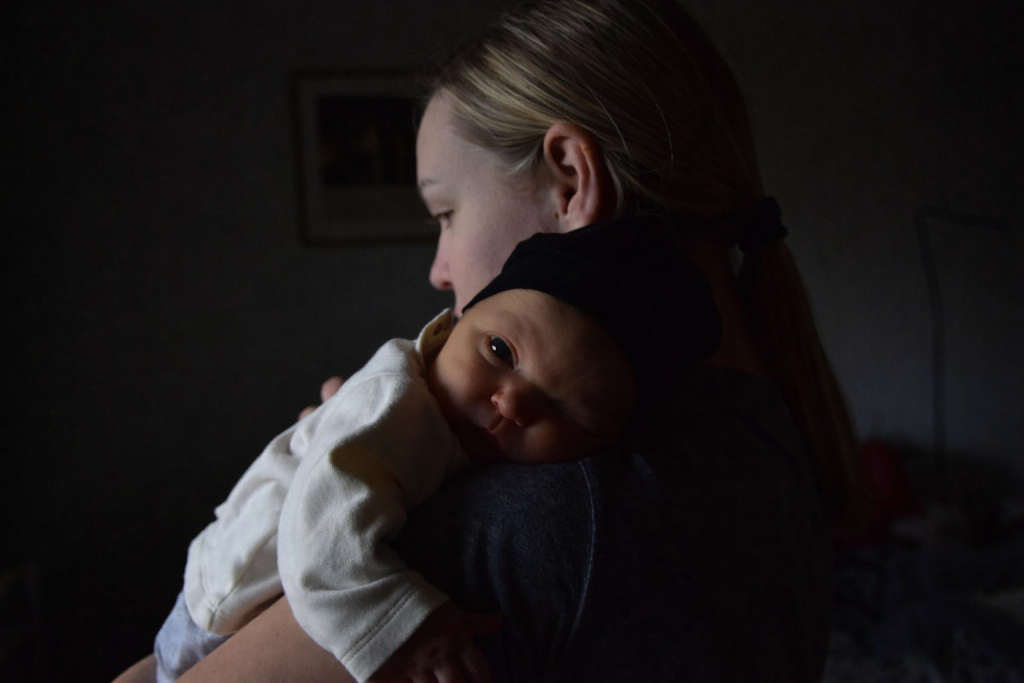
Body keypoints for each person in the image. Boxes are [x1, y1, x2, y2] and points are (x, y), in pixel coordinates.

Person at [115, 0, 861, 681]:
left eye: (445, 213)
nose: (439, 270)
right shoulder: (770, 435)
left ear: (570, 180)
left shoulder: (554, 507)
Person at [149, 216, 723, 683]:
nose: (512, 404)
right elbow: (319, 539)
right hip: (224, 598)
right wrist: (404, 629)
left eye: (569, 412)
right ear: (455, 322)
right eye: (500, 350)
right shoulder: (394, 403)